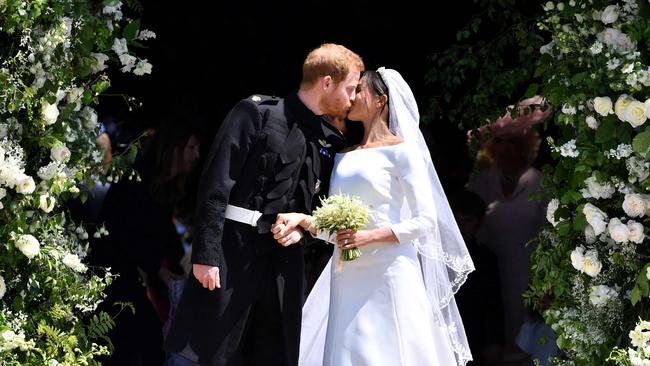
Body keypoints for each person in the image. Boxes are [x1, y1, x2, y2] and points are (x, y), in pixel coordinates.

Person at [163, 43, 364, 366]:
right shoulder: (256, 113)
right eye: (351, 88)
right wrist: (205, 255)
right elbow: (216, 184)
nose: (353, 98)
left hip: (283, 269)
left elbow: (320, 209)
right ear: (327, 82)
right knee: (205, 352)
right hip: (231, 255)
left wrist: (304, 231)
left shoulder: (328, 140)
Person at [272, 68, 475, 366]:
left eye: (359, 91)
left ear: (380, 101)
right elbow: (337, 228)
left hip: (389, 270)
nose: (351, 97)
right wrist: (305, 220)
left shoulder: (402, 153)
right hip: (347, 274)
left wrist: (370, 236)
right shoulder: (344, 154)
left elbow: (425, 221)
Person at [90, 120, 201, 366]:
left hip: (131, 273)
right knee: (141, 341)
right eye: (191, 147)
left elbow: (164, 233)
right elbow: (127, 234)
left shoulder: (165, 187)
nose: (197, 155)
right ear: (175, 148)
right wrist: (161, 271)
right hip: (112, 271)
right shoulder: (140, 180)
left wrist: (177, 270)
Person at [466, 97, 550, 361]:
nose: (505, 149)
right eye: (499, 142)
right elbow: (466, 224)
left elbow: (554, 234)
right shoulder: (482, 181)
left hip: (531, 274)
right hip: (491, 275)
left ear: (525, 146)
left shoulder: (540, 182)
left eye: (512, 142)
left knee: (527, 347)